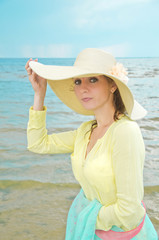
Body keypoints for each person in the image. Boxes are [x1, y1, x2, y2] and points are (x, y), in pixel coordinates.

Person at [25, 48, 158, 239]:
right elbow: (38, 143)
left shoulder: (125, 132)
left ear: (113, 85)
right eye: (78, 81)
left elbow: (130, 212)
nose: (83, 88)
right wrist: (39, 94)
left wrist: (86, 217)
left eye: (93, 79)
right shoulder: (85, 131)